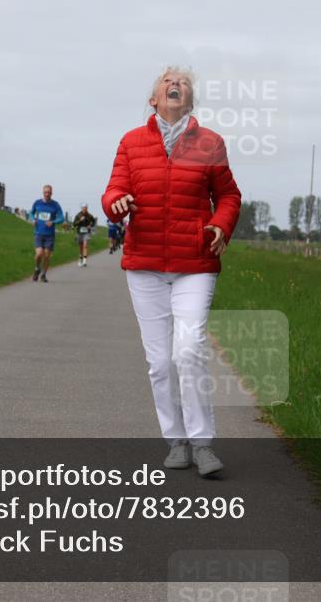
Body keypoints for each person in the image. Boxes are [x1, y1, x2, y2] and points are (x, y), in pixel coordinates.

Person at [102, 66, 241, 478]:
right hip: (144, 264)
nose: (174, 85)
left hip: (194, 263)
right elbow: (112, 190)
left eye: (182, 83)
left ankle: (202, 444)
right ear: (154, 98)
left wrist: (221, 223)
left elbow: (229, 195)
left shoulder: (211, 143)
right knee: (161, 361)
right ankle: (175, 441)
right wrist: (118, 202)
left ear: (190, 100)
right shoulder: (131, 141)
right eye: (167, 81)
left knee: (189, 347)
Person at [29, 184, 64, 283]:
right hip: (38, 232)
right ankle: (37, 268)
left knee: (47, 255)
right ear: (43, 192)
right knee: (39, 254)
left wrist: (53, 222)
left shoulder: (55, 205)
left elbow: (61, 218)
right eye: (45, 192)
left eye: (49, 192)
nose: (47, 194)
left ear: (51, 193)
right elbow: (31, 213)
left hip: (50, 234)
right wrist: (33, 219)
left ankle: (43, 274)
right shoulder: (37, 203)